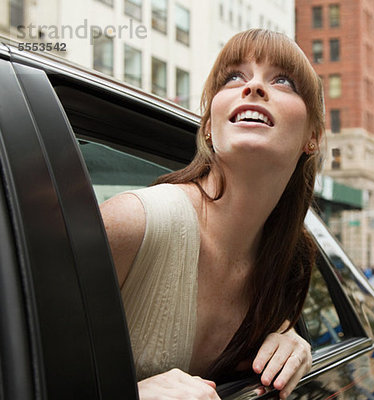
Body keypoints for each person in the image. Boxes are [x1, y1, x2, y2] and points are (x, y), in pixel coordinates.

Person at [100, 29, 324, 400]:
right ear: (208, 125)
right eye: (234, 77)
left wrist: (295, 341)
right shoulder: (132, 223)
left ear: (312, 136)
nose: (252, 86)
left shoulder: (291, 262)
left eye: (283, 80)